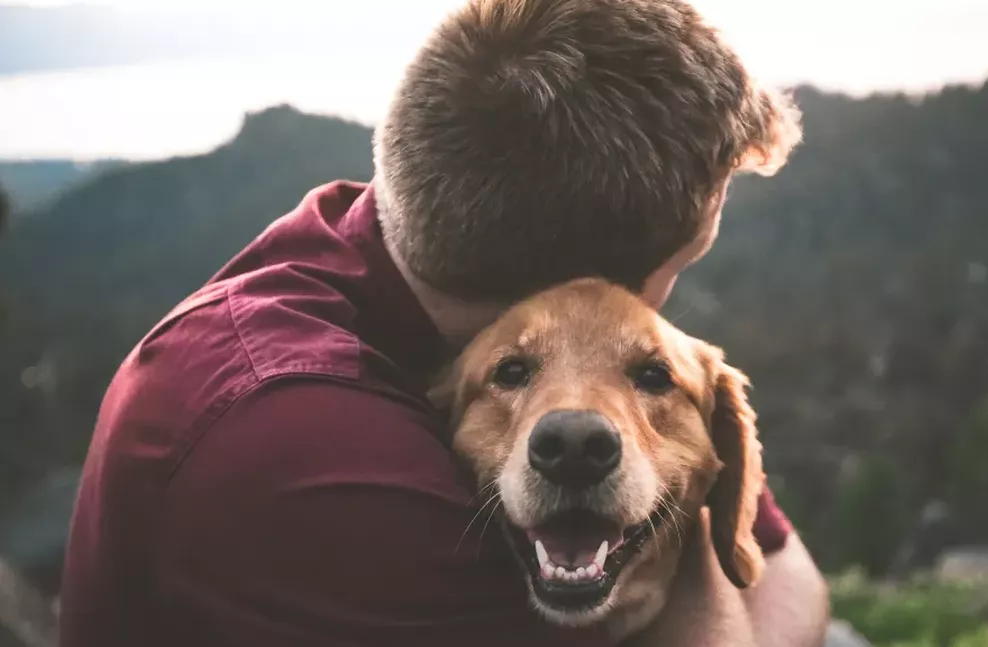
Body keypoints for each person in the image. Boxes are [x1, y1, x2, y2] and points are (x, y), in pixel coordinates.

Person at [58, 0, 828, 645]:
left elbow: (787, 571)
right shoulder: (307, 452)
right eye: (681, 265)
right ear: (582, 286)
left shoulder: (382, 244)